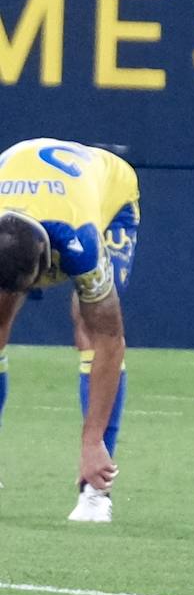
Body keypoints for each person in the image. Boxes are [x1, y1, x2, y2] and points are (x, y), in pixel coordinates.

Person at [0, 138, 139, 523]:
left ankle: (96, 493)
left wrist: (90, 442)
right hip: (30, 187)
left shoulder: (83, 243)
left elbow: (111, 341)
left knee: (88, 329)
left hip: (109, 197)